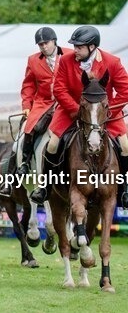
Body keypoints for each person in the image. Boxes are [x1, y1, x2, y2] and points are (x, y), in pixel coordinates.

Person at [30, 25, 128, 205]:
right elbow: (59, 89)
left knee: (125, 145)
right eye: (74, 46)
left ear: (92, 47)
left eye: (79, 47)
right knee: (52, 144)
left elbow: (124, 90)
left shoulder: (112, 62)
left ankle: (124, 189)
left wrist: (107, 112)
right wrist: (75, 109)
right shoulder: (66, 61)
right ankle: (46, 187)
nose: (74, 50)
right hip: (71, 110)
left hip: (104, 114)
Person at [0, 27, 65, 196]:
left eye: (46, 43)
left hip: (65, 103)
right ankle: (24, 163)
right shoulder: (33, 60)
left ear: (54, 41)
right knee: (30, 128)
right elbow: (28, 86)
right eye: (40, 44)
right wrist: (26, 107)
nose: (43, 47)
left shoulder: (70, 55)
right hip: (42, 103)